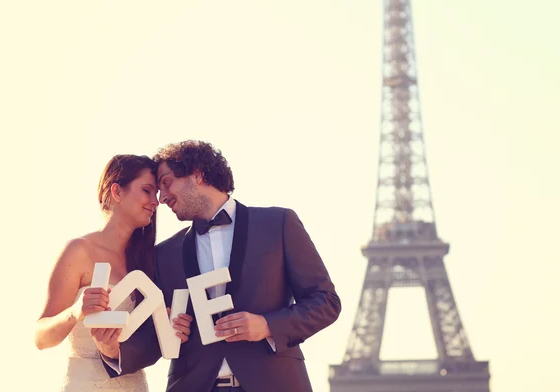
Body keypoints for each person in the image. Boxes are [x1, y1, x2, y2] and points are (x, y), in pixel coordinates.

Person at [98, 140, 342, 392]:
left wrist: (266, 326)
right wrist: (113, 350)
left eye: (167, 183)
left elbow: (325, 301)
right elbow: (155, 333)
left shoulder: (278, 223)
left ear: (198, 174)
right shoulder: (164, 254)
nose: (162, 198)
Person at [35, 154, 194, 392]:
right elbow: (40, 338)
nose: (156, 201)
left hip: (135, 384)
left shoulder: (148, 261)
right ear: (117, 192)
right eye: (147, 190)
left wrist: (171, 329)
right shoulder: (79, 251)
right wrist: (77, 311)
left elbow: (148, 340)